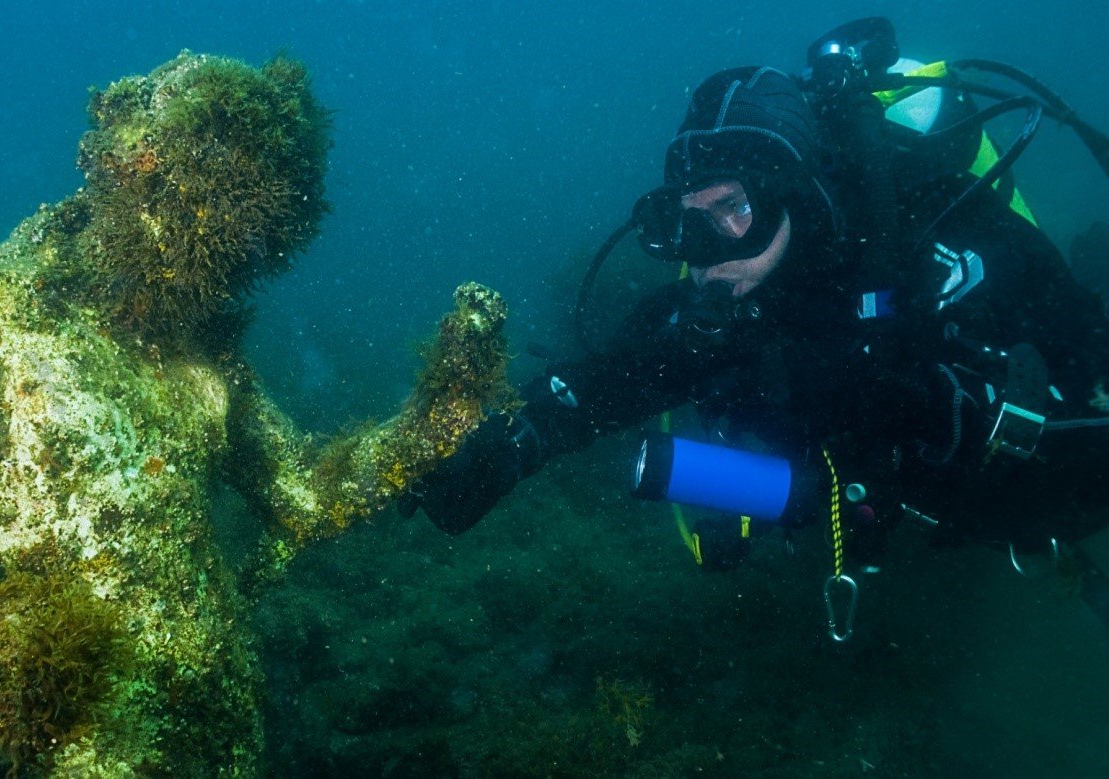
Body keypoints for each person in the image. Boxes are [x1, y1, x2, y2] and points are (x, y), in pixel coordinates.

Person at [0, 51, 512, 776]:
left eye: (266, 225)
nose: (244, 242)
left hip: (209, 737)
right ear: (132, 163)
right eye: (222, 199)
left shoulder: (207, 359)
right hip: (53, 746)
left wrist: (435, 414)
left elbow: (304, 491)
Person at [401, 25, 1109, 633]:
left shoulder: (934, 233)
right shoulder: (720, 294)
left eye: (733, 208)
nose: (707, 251)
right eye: (684, 220)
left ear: (791, 195)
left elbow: (1079, 343)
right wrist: (504, 445)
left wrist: (988, 414)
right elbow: (610, 382)